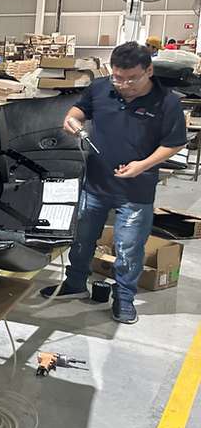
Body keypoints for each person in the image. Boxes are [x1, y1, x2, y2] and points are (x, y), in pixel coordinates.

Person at [40, 42, 186, 324]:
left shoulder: (167, 102)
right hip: (96, 184)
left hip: (136, 189)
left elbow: (174, 143)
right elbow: (78, 110)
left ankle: (124, 298)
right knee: (82, 240)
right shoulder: (100, 88)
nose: (123, 84)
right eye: (118, 77)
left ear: (149, 71)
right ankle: (75, 284)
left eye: (132, 78)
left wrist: (142, 165)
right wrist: (72, 120)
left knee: (130, 247)